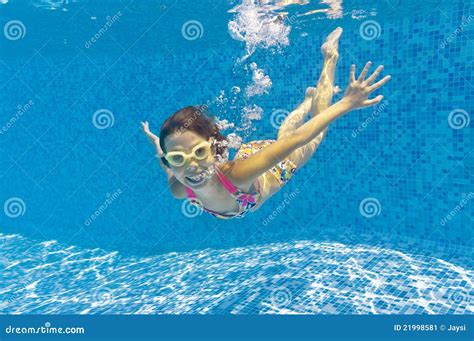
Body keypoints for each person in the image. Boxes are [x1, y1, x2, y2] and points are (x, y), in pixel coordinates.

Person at [141, 27, 390, 219]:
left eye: (198, 152)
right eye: (177, 158)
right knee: (283, 135)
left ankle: (330, 57)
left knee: (316, 133)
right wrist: (157, 144)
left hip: (268, 170)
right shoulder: (180, 188)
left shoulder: (237, 176)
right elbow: (167, 167)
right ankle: (306, 101)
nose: (191, 166)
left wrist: (346, 103)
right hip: (251, 153)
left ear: (213, 147)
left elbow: (297, 139)